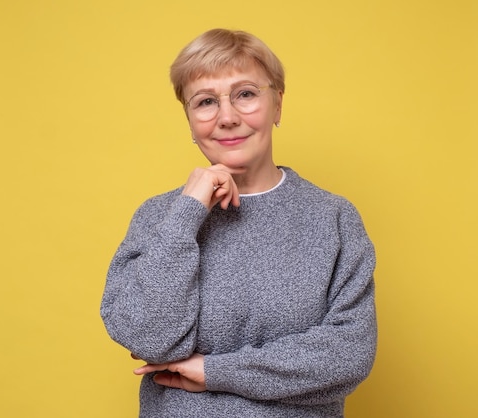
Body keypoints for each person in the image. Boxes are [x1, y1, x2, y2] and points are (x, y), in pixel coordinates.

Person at [100, 28, 377, 417]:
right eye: (206, 102)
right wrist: (187, 214)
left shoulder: (333, 218)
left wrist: (214, 371)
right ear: (189, 120)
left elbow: (347, 355)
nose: (227, 117)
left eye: (246, 94)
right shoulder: (160, 217)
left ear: (277, 104)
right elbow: (149, 336)